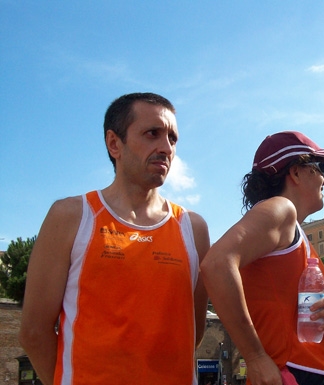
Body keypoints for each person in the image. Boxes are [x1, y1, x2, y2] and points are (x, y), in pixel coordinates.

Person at [18, 92, 210, 385]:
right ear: (114, 143)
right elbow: (34, 332)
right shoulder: (71, 216)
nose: (166, 147)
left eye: (172, 138)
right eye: (152, 134)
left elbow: (192, 333)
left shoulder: (193, 228)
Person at [200, 131, 324, 385]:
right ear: (295, 172)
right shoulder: (281, 210)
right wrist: (255, 358)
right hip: (296, 373)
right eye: (319, 167)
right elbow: (216, 264)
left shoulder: (291, 231)